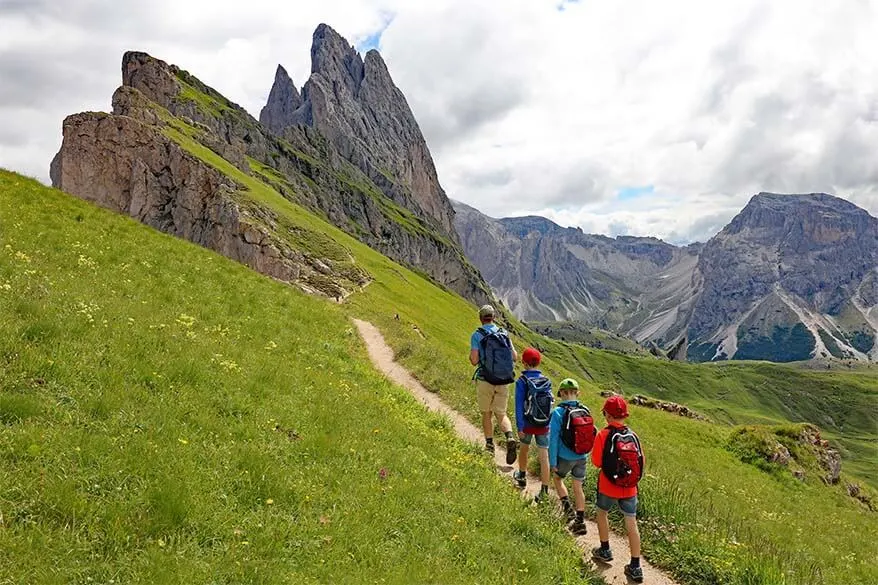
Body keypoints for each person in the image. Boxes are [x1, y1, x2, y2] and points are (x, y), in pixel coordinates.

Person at [591, 395, 645, 583]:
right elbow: (641, 462)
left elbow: (597, 462)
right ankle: (636, 566)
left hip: (608, 485)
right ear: (625, 415)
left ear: (607, 415)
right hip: (630, 488)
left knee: (602, 512)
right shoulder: (634, 435)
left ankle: (605, 549)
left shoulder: (603, 435)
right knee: (631, 522)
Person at [469, 304, 518, 464]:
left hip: (485, 380)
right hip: (503, 380)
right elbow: (515, 357)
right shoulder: (503, 333)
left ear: (481, 318)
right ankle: (510, 436)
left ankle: (489, 445)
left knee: (486, 414)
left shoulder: (477, 335)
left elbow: (474, 360)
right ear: (494, 317)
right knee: (501, 414)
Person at [548, 378, 589, 535]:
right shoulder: (585, 410)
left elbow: (553, 440)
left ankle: (567, 509)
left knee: (558, 479)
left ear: (562, 394)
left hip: (565, 457)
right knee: (578, 486)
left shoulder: (558, 412)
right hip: (582, 455)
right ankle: (580, 521)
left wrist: (552, 462)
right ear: (577, 393)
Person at [513, 348, 552, 501]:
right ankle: (544, 490)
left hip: (528, 422)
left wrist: (520, 427)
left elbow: (518, 405)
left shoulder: (522, 381)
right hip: (543, 424)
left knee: (524, 449)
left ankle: (522, 476)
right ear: (539, 362)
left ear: (524, 363)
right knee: (544, 457)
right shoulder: (546, 380)